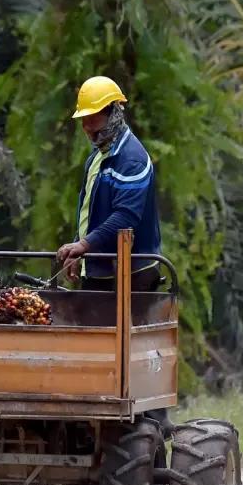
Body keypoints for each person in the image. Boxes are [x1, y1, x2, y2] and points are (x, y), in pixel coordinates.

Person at [55, 76, 172, 435]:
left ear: (114, 113)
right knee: (95, 359)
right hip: (101, 272)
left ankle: (155, 432)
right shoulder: (98, 158)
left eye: (95, 118)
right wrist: (80, 250)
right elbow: (91, 212)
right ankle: (92, 431)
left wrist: (85, 246)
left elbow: (125, 219)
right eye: (85, 120)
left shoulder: (132, 158)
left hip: (134, 274)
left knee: (137, 362)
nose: (89, 127)